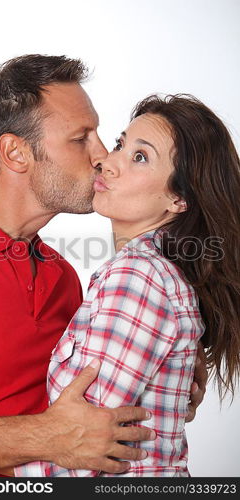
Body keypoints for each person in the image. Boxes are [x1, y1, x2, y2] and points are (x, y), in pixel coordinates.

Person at [0, 55, 206, 477]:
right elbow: (62, 434)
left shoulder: (64, 278)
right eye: (81, 139)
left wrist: (165, 373)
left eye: (101, 136)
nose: (102, 155)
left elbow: (84, 413)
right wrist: (45, 437)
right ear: (16, 152)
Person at [14, 94, 240, 477]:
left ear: (178, 198)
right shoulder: (155, 274)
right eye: (121, 145)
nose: (107, 161)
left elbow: (79, 453)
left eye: (140, 157)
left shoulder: (138, 277)